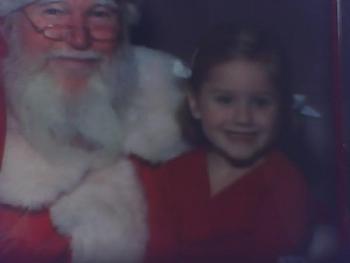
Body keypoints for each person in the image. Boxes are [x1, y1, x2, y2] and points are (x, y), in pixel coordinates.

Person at [0, 0, 188, 262]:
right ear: (7, 27)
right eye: (53, 11)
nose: (79, 38)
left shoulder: (173, 121)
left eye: (100, 13)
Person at [157, 25, 312, 262]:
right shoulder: (171, 173)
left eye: (260, 102)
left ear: (282, 108)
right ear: (195, 103)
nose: (243, 118)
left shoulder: (285, 186)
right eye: (225, 100)